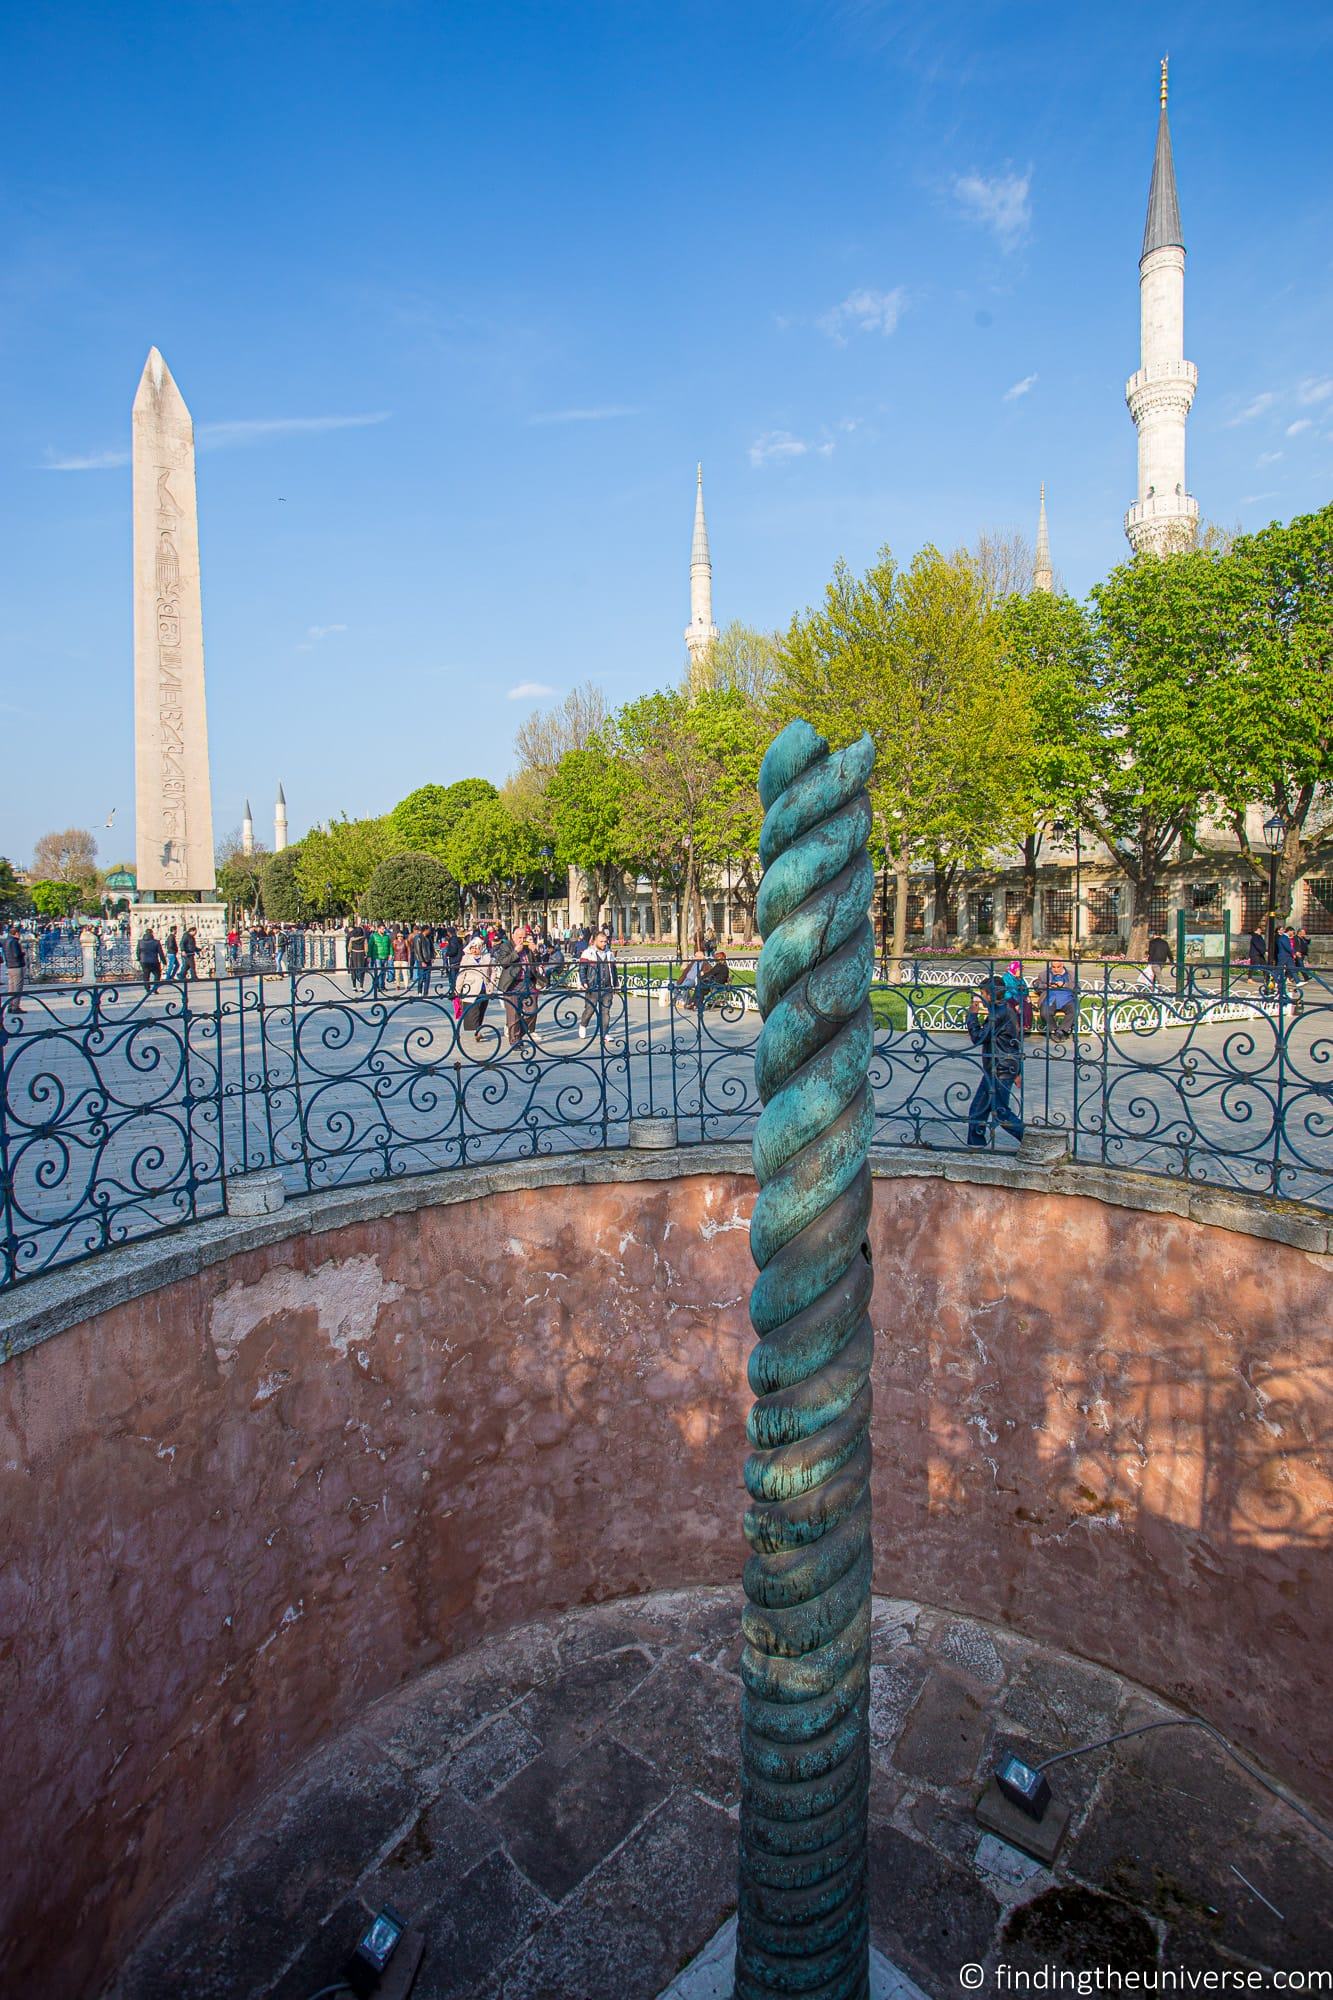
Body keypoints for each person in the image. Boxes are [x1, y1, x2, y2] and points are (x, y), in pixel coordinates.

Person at [966, 976, 1025, 1149]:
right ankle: (975, 1144)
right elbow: (1014, 1041)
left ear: (990, 995)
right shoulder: (1004, 1009)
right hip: (1000, 1067)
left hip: (1000, 1068)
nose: (981, 998)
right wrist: (1018, 1070)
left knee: (1000, 1112)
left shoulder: (999, 1013)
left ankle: (1030, 1138)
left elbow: (978, 1038)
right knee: (979, 1109)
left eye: (983, 994)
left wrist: (972, 1016)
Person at [578, 928, 618, 1038]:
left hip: (606, 986)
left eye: (605, 941)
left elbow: (613, 969)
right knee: (590, 1009)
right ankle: (583, 1024)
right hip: (593, 986)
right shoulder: (588, 953)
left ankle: (605, 1033)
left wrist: (615, 984)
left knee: (606, 1011)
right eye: (601, 941)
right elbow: (582, 969)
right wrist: (584, 982)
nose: (604, 944)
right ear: (595, 941)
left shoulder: (609, 953)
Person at [1033, 959, 1077, 1040]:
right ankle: (1054, 1030)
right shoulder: (1044, 974)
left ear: (1062, 965)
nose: (1056, 969)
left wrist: (1064, 984)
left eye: (1058, 967)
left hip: (1067, 999)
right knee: (1045, 1012)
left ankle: (1062, 1031)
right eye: (1053, 967)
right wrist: (1047, 986)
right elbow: (1036, 987)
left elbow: (1077, 987)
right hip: (1050, 998)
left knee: (1074, 1010)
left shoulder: (1071, 974)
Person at [457, 936, 494, 1031]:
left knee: (481, 1010)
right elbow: (461, 974)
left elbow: (492, 972)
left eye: (476, 948)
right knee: (472, 1011)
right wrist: (457, 989)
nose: (474, 950)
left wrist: (491, 984)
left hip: (484, 987)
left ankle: (479, 1028)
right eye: (472, 948)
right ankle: (476, 1031)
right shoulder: (466, 958)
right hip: (470, 988)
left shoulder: (487, 958)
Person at [2, 924, 25, 1017]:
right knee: (18, 987)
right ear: (16, 933)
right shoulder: (14, 942)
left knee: (11, 987)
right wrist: (22, 953)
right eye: (19, 933)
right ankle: (15, 1006)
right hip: (17, 966)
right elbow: (16, 954)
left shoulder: (6, 941)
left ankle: (10, 1005)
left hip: (10, 966)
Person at [410, 923, 436, 997]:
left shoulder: (428, 938)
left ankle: (426, 993)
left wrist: (432, 957)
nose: (430, 931)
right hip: (421, 960)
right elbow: (418, 951)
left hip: (428, 959)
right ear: (425, 930)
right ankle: (420, 992)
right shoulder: (418, 938)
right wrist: (421, 961)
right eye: (429, 930)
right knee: (421, 977)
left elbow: (431, 948)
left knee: (428, 977)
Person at [137, 926, 165, 994]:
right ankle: (155, 988)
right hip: (154, 961)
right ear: (152, 934)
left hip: (144, 961)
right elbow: (160, 952)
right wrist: (164, 961)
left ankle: (147, 988)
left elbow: (138, 951)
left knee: (146, 975)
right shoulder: (156, 942)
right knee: (157, 974)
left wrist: (139, 958)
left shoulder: (140, 942)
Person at [367, 924, 391, 996]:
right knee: (379, 971)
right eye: (382, 929)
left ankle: (382, 985)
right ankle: (378, 986)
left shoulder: (387, 936)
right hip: (377, 956)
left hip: (385, 956)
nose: (383, 930)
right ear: (378, 929)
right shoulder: (374, 936)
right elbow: (370, 946)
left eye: (384, 929)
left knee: (384, 972)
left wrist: (391, 954)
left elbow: (390, 946)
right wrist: (369, 956)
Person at [347, 920, 369, 994]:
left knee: (353, 970)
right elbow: (366, 947)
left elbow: (349, 948)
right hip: (361, 955)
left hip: (354, 954)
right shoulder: (364, 939)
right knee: (361, 970)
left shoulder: (352, 939)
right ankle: (361, 987)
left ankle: (354, 986)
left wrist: (349, 953)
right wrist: (366, 954)